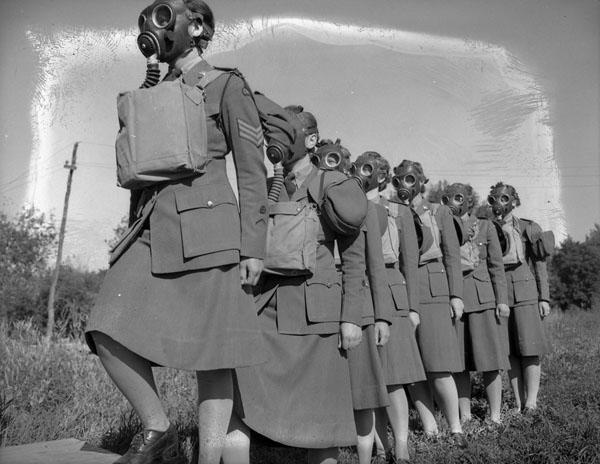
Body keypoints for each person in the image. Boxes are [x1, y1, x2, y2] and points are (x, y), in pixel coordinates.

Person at [84, 2, 269, 463]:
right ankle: (158, 428)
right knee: (104, 327)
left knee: (213, 354)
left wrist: (254, 246)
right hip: (152, 230)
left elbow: (251, 172)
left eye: (166, 18)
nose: (153, 28)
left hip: (211, 230)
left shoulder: (227, 85)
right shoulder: (152, 91)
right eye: (148, 21)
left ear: (199, 27)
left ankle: (208, 458)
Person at [225, 109, 368, 464]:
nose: (276, 141)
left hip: (315, 319)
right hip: (265, 313)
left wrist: (351, 317)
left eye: (285, 133)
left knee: (320, 425)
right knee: (239, 404)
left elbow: (353, 259)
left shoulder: (330, 184)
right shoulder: (261, 185)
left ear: (311, 141)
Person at [350, 152, 426, 464]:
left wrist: (413, 308)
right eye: (361, 167)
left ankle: (402, 446)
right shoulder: (347, 205)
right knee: (370, 376)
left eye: (374, 170)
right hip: (361, 290)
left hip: (393, 294)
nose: (367, 174)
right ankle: (380, 447)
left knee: (395, 378)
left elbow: (411, 263)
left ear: (384, 177)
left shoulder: (398, 212)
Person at [391, 160, 467, 447]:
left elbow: (452, 256)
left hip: (433, 286)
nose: (404, 185)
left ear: (422, 181)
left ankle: (456, 427)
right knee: (412, 367)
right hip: (401, 287)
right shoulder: (392, 211)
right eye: (398, 180)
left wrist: (456, 294)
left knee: (438, 364)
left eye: (410, 179)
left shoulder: (439, 211)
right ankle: (430, 428)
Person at [325, 146, 393, 464]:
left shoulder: (368, 209)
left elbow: (375, 268)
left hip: (358, 309)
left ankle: (365, 458)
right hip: (323, 304)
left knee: (363, 394)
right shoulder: (326, 196)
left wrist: (382, 318)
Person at [442, 183, 510, 424]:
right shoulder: (443, 225)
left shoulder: (486, 225)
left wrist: (502, 300)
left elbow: (496, 267)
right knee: (459, 363)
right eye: (451, 198)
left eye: (461, 198)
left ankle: (495, 415)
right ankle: (466, 416)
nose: (456, 203)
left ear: (470, 201)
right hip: (454, 300)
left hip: (482, 300)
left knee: (490, 361)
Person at [487, 182, 550, 412]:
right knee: (510, 350)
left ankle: (531, 401)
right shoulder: (488, 228)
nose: (499, 204)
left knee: (530, 347)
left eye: (504, 199)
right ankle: (518, 401)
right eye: (494, 199)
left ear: (514, 201)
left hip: (525, 289)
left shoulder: (528, 227)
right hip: (500, 292)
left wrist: (544, 297)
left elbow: (540, 264)